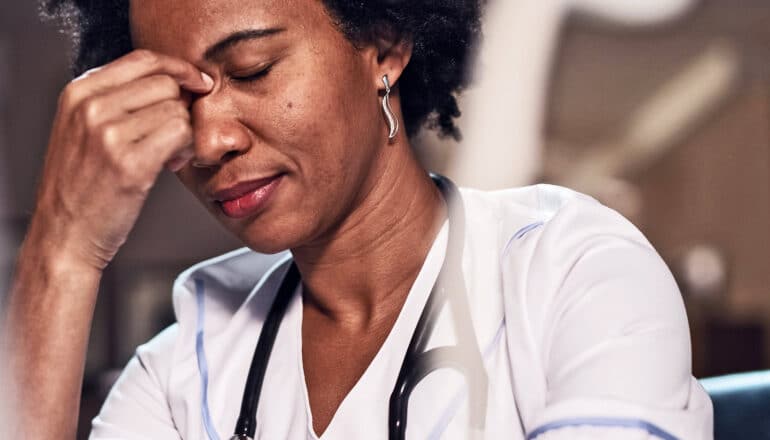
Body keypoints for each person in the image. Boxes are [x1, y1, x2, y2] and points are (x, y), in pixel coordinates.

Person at [1, 0, 712, 438]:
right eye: (178, 99)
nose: (210, 139)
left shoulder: (574, 276)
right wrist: (61, 253)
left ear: (385, 47)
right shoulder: (186, 363)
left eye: (250, 70)